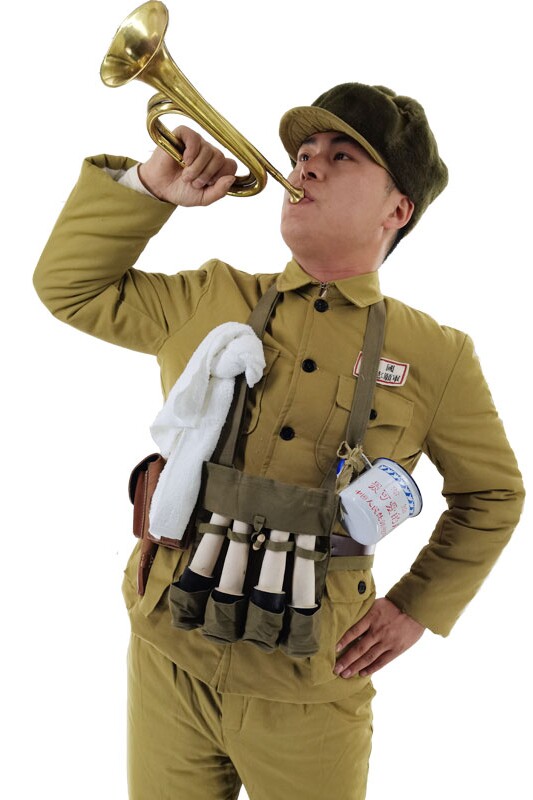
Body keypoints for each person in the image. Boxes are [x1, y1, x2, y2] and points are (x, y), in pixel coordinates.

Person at [33, 81, 524, 800]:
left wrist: (418, 607)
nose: (307, 165)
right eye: (303, 153)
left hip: (310, 683)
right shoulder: (212, 297)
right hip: (170, 651)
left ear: (397, 210)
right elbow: (68, 287)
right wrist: (149, 188)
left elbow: (493, 495)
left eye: (341, 155)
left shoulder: (437, 355)